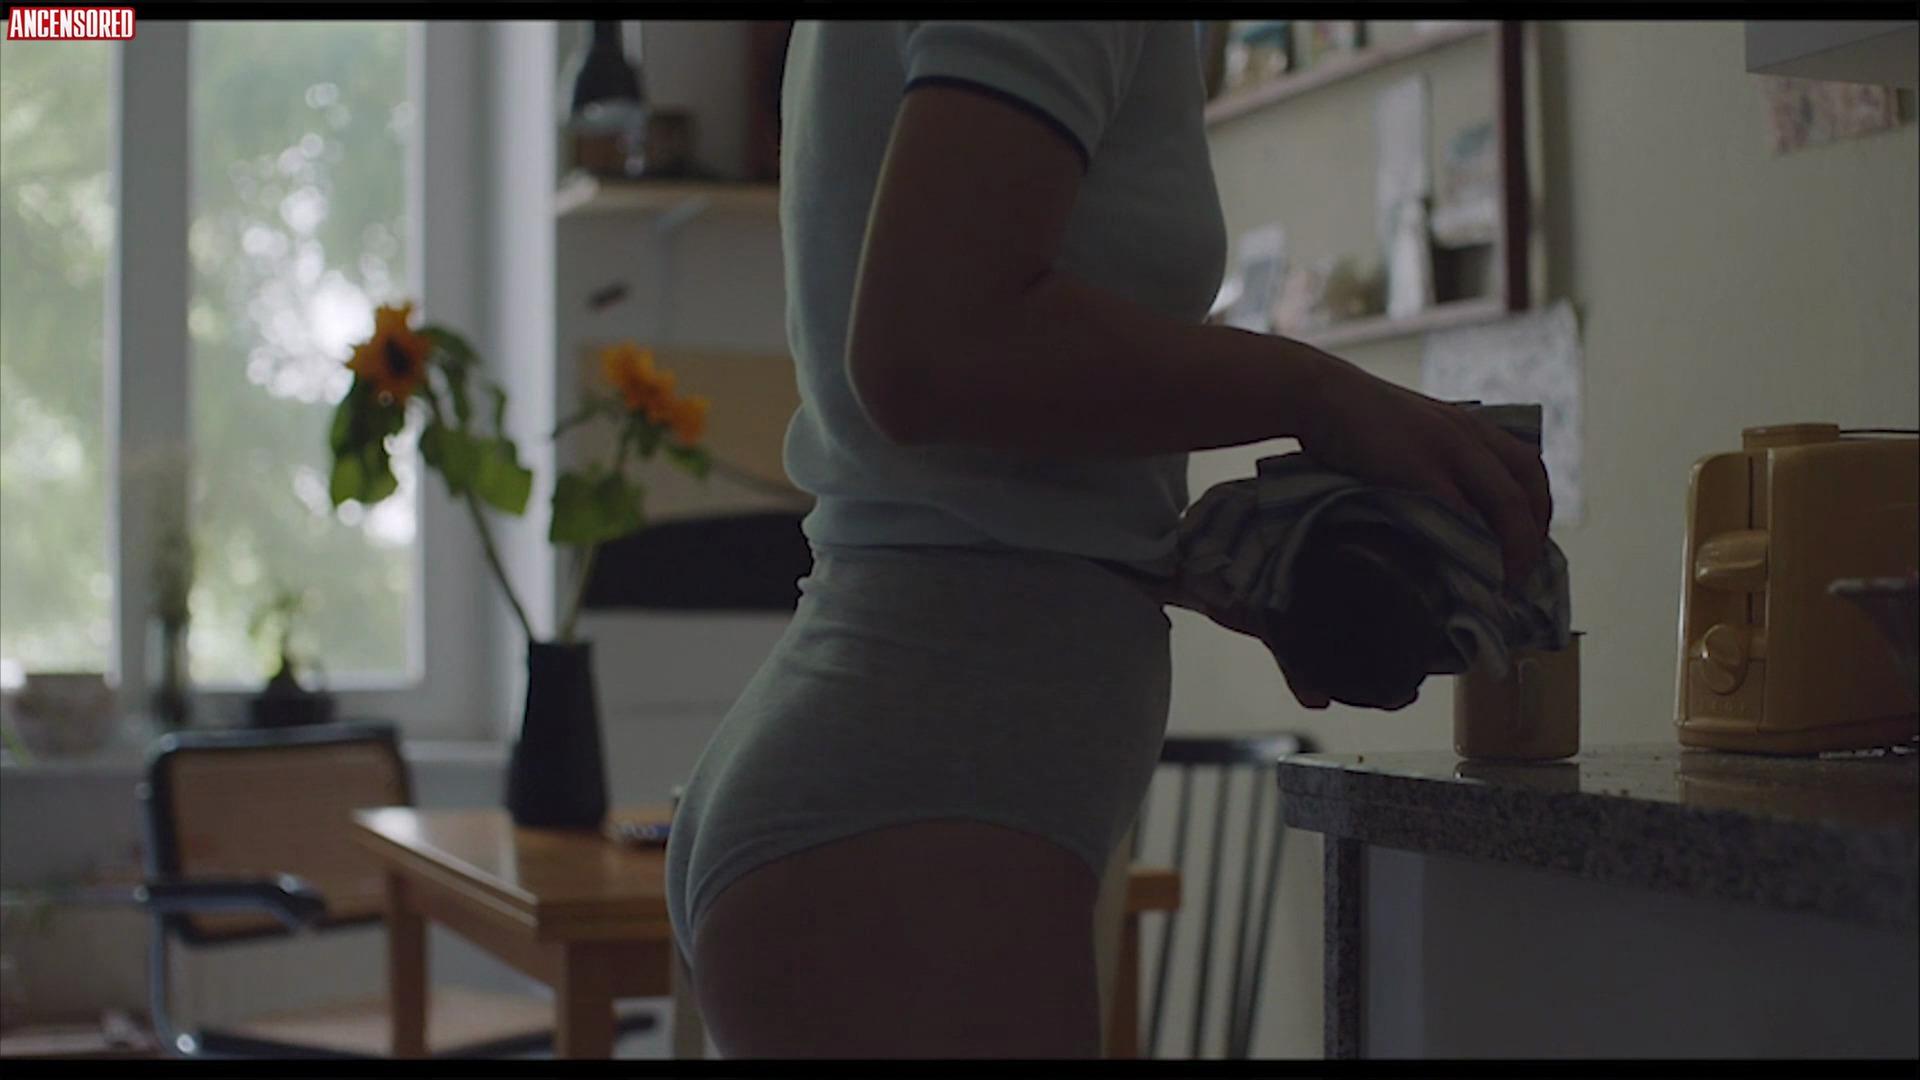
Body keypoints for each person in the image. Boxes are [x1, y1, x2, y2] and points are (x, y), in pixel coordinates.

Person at [664, 20, 1550, 1058]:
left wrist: (1211, 555)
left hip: (904, 775)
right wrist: (1314, 391)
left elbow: (960, 433)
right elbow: (932, 347)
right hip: (917, 794)